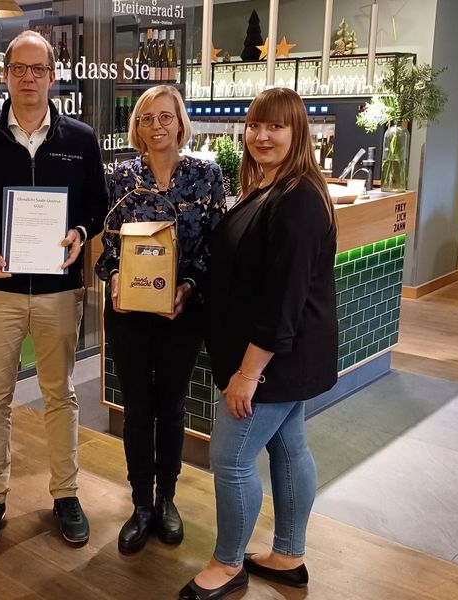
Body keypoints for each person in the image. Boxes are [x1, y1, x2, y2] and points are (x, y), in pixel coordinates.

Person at [0, 30, 108, 549]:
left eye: (39, 69)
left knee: (60, 395)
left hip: (59, 290)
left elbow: (97, 204)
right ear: (6, 73)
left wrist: (80, 231)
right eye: (20, 68)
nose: (29, 78)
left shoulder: (80, 139)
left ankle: (66, 494)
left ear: (53, 76)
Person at [179, 87, 338, 600]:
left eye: (275, 126)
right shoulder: (270, 187)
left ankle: (227, 564)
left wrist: (248, 373)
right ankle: (289, 556)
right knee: (289, 448)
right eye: (254, 125)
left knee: (230, 459)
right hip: (277, 358)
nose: (261, 136)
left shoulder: (299, 200)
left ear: (298, 133)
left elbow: (282, 300)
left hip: (273, 361)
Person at [95, 85, 226, 555]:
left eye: (166, 117)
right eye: (147, 118)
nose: (156, 126)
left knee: (170, 407)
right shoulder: (120, 177)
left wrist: (187, 288)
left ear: (180, 122)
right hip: (128, 313)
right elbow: (108, 247)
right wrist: (114, 277)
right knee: (136, 409)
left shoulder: (206, 176)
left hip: (181, 313)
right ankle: (141, 504)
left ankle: (167, 497)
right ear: (137, 125)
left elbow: (215, 248)